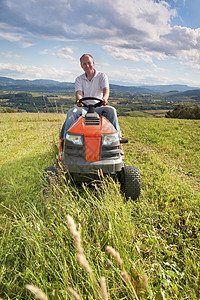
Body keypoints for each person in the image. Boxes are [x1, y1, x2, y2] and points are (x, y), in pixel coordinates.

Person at [63, 54, 121, 137]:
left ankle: (118, 139)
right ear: (81, 66)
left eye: (89, 63)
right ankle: (65, 140)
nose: (87, 65)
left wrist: (104, 98)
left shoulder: (102, 76)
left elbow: (106, 90)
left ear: (93, 63)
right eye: (84, 64)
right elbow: (79, 93)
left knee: (112, 111)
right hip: (84, 108)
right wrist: (79, 100)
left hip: (99, 107)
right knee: (71, 112)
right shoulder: (79, 79)